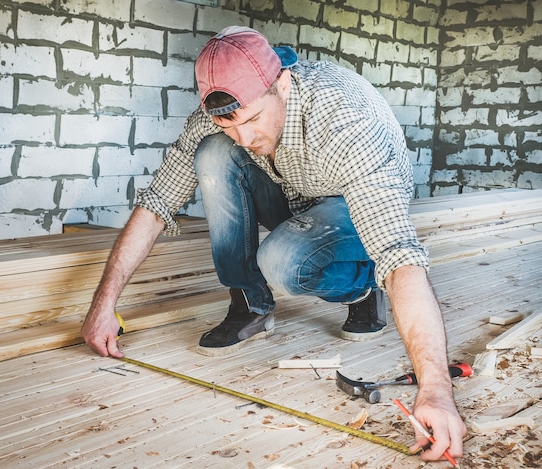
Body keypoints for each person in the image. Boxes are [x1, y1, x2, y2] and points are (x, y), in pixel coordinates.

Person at [81, 26, 466, 462]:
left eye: (252, 120)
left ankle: (361, 290)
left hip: (355, 209)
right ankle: (250, 304)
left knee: (283, 260)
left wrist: (436, 390)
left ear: (280, 83)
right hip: (298, 196)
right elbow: (156, 204)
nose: (245, 139)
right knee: (212, 153)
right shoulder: (220, 122)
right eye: (229, 123)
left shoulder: (347, 123)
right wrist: (103, 304)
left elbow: (399, 257)